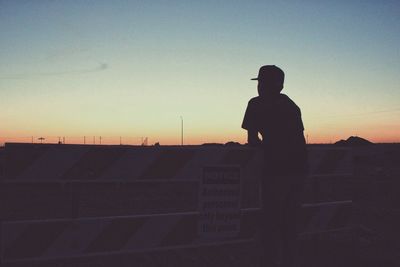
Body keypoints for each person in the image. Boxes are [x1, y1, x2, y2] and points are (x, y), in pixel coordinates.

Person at [242, 65, 307, 267]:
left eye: (261, 82)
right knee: (290, 222)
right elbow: (299, 138)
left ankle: (269, 260)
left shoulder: (256, 104)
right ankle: (290, 259)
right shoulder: (292, 105)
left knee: (270, 221)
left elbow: (252, 139)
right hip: (299, 169)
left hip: (275, 169)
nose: (259, 87)